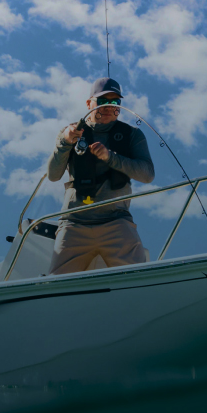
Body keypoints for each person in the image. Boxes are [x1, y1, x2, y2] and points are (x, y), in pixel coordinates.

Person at [43, 77, 155, 275]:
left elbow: (147, 175)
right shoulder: (70, 132)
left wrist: (110, 157)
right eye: (103, 101)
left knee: (137, 277)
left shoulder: (133, 135)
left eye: (115, 102)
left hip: (116, 220)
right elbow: (53, 175)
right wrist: (65, 142)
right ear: (89, 103)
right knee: (56, 282)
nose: (109, 107)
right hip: (74, 222)